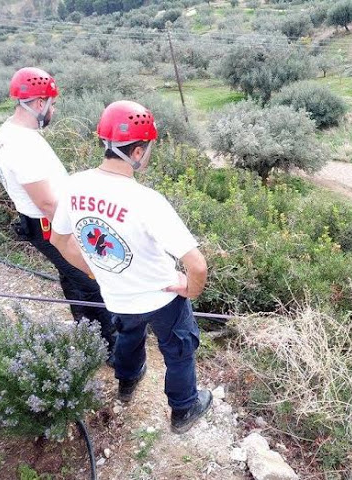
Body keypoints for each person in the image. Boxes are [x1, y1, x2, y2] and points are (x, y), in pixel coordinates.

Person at [50, 100, 211, 434]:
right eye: (148, 147)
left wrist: (96, 271)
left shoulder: (73, 185)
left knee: (128, 336)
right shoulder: (147, 201)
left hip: (116, 294)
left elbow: (60, 241)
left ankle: (127, 383)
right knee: (179, 350)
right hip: (163, 297)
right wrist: (188, 288)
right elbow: (197, 265)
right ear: (138, 152)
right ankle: (184, 410)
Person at [0, 67, 116, 365]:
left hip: (44, 224)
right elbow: (47, 202)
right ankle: (112, 352)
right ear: (38, 104)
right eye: (52, 103)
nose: (54, 109)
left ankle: (88, 335)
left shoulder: (13, 133)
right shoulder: (21, 145)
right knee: (91, 282)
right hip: (51, 225)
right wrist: (75, 237)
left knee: (72, 278)